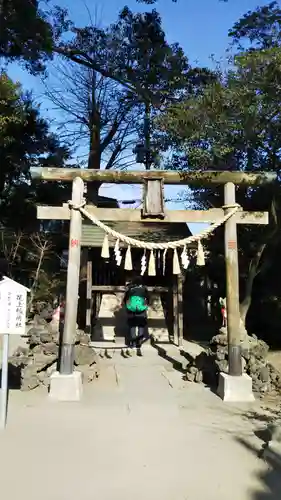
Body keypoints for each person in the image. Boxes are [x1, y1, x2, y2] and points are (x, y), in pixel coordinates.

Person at [123, 275, 150, 357]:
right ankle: (139, 345)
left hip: (131, 310)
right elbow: (148, 299)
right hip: (142, 311)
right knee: (141, 326)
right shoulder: (144, 289)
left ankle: (133, 345)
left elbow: (125, 300)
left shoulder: (130, 289)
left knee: (132, 327)